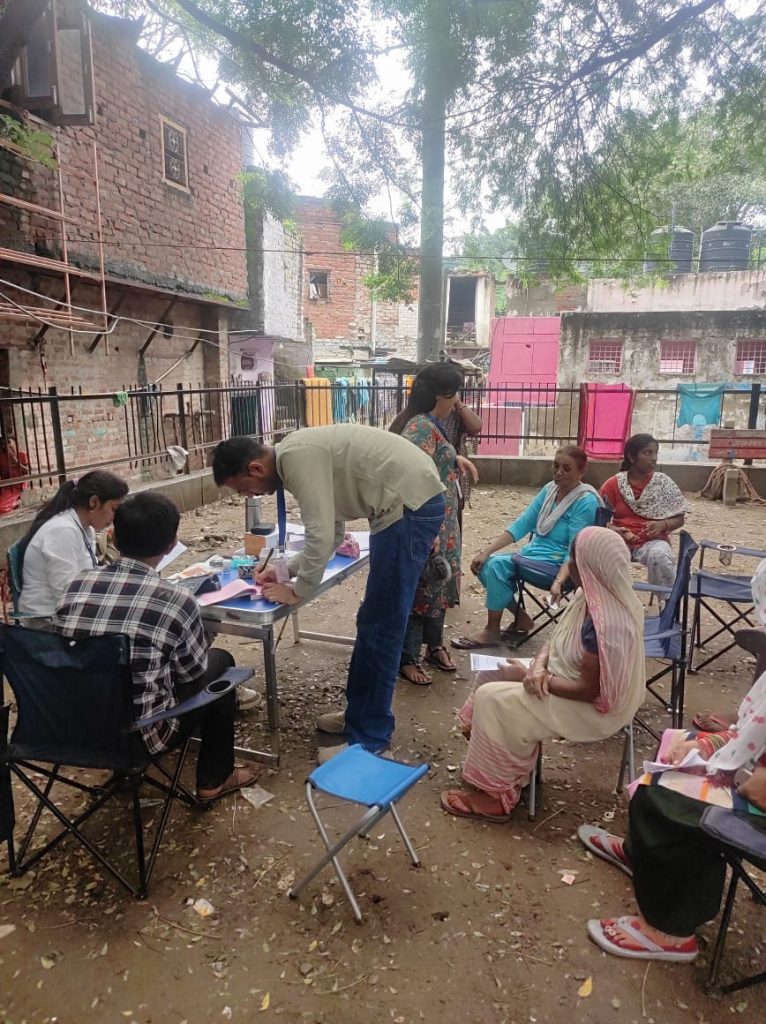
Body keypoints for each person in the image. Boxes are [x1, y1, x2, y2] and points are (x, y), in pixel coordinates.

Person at [212, 425, 445, 760]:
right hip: (405, 503)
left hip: (408, 506)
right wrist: (286, 570)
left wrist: (297, 592)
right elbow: (332, 532)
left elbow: (321, 535)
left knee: (382, 628)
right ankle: (358, 719)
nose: (250, 496)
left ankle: (370, 742)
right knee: (372, 622)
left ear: (256, 469)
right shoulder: (296, 454)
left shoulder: (296, 457)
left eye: (244, 490)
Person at [579, 558, 766, 963]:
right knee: (675, 745)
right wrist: (711, 745)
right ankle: (642, 855)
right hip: (754, 776)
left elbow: (758, 785)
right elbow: (752, 732)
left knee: (665, 799)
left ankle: (671, 930)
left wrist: (726, 769)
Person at [53, 493, 259, 801]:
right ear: (171, 545)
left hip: (67, 728)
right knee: (220, 663)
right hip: (141, 735)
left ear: (113, 536)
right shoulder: (177, 601)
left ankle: (127, 771)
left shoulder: (75, 585)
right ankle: (214, 778)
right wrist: (201, 638)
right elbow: (192, 675)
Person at [441, 526, 645, 822]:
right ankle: (503, 763)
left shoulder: (606, 624)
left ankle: (495, 798)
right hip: (567, 678)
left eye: (572, 560)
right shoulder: (591, 596)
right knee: (491, 672)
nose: (568, 565)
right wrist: (536, 667)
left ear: (586, 566)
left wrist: (538, 678)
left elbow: (590, 691)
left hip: (591, 709)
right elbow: (555, 641)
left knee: (491, 699)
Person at [452, 445, 601, 650]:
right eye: (556, 466)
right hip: (533, 556)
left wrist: (559, 581)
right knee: (484, 565)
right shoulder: (550, 490)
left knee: (495, 567)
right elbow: (522, 525)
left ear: (581, 472)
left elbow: (575, 551)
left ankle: (492, 630)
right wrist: (486, 551)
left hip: (559, 567)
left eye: (566, 468)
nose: (559, 472)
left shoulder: (586, 501)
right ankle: (520, 617)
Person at [389, 363, 478, 684]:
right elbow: (410, 477)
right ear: (444, 394)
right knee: (423, 590)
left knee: (440, 584)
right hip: (428, 524)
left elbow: (432, 460)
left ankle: (434, 646)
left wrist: (454, 457)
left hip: (444, 522)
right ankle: (408, 657)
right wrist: (427, 531)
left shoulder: (430, 424)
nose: (457, 402)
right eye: (456, 395)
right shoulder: (420, 428)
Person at [18, 471, 129, 620]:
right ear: (94, 502)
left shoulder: (85, 529)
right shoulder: (63, 531)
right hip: (45, 621)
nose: (114, 518)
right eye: (113, 509)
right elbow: (65, 594)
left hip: (66, 612)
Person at [600, 433, 688, 589]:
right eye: (647, 453)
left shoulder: (663, 484)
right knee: (599, 557)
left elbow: (680, 519)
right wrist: (617, 531)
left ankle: (668, 600)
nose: (654, 458)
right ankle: (609, 599)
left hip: (653, 543)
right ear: (631, 457)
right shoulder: (613, 484)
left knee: (661, 557)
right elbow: (599, 521)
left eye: (655, 453)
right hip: (619, 541)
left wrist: (663, 525)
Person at [0, 436, 29, 515]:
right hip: (6, 485)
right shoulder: (2, 457)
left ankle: (16, 503)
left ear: (14, 443)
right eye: (3, 444)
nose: (7, 445)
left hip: (17, 485)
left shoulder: (21, 455)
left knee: (1, 508)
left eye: (9, 442)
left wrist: (15, 461)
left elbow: (26, 471)